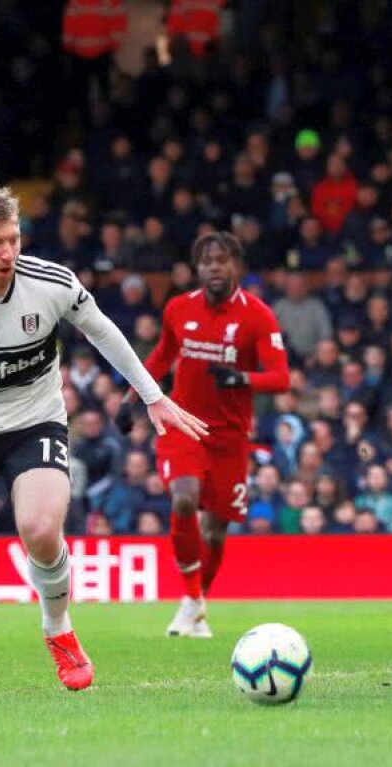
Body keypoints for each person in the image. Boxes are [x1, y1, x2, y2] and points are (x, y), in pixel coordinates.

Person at [0, 184, 207, 695]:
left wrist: (153, 395)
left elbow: (104, 331)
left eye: (14, 238)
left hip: (35, 422)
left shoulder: (51, 283)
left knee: (41, 529)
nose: (9, 252)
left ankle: (60, 632)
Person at [140, 231, 290, 638]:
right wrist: (131, 397)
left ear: (236, 266)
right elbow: (162, 356)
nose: (214, 268)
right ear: (197, 268)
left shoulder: (257, 315)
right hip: (184, 424)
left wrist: (241, 378)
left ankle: (195, 604)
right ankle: (191, 598)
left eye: (222, 260)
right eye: (206, 261)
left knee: (216, 531)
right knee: (184, 499)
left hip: (230, 435)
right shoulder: (178, 308)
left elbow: (280, 377)